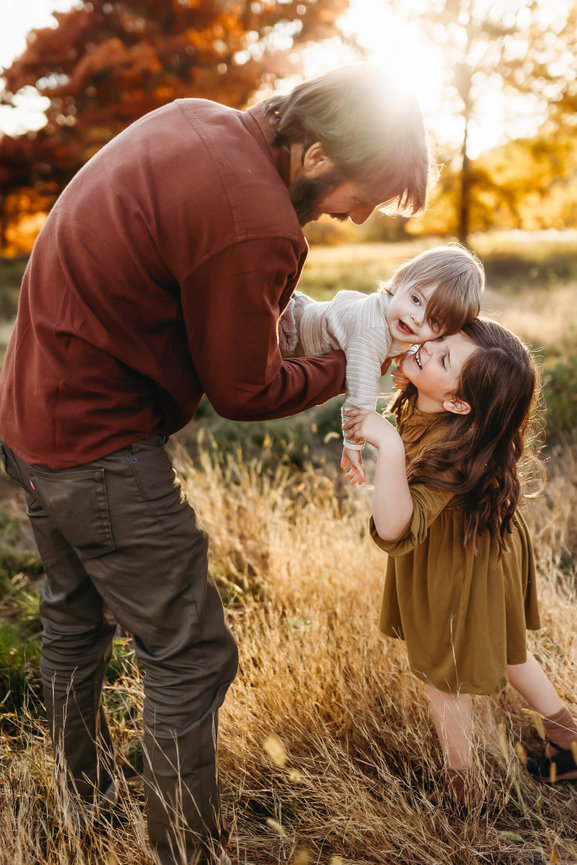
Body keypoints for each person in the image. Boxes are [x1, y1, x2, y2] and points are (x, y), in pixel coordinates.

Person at [0, 64, 430, 865]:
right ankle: (188, 853)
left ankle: (76, 807)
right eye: (362, 192)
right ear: (313, 153)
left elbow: (237, 317)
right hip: (95, 445)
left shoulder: (198, 119)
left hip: (28, 416)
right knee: (192, 654)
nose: (357, 215)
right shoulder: (256, 220)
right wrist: (356, 366)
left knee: (72, 619)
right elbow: (243, 388)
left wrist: (338, 327)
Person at [343, 319, 577, 804]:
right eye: (440, 339)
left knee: (443, 676)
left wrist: (385, 443)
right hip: (489, 549)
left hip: (462, 562)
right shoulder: (436, 403)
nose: (428, 348)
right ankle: (569, 740)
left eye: (444, 358)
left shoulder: (451, 446)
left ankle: (463, 790)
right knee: (511, 650)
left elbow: (394, 528)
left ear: (458, 403)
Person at [279, 244, 484, 484]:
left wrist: (408, 360)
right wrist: (353, 443)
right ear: (399, 281)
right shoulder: (371, 332)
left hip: (305, 311)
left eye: (433, 320)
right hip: (287, 336)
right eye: (416, 300)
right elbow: (360, 397)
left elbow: (404, 341)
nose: (416, 318)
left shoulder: (398, 313)